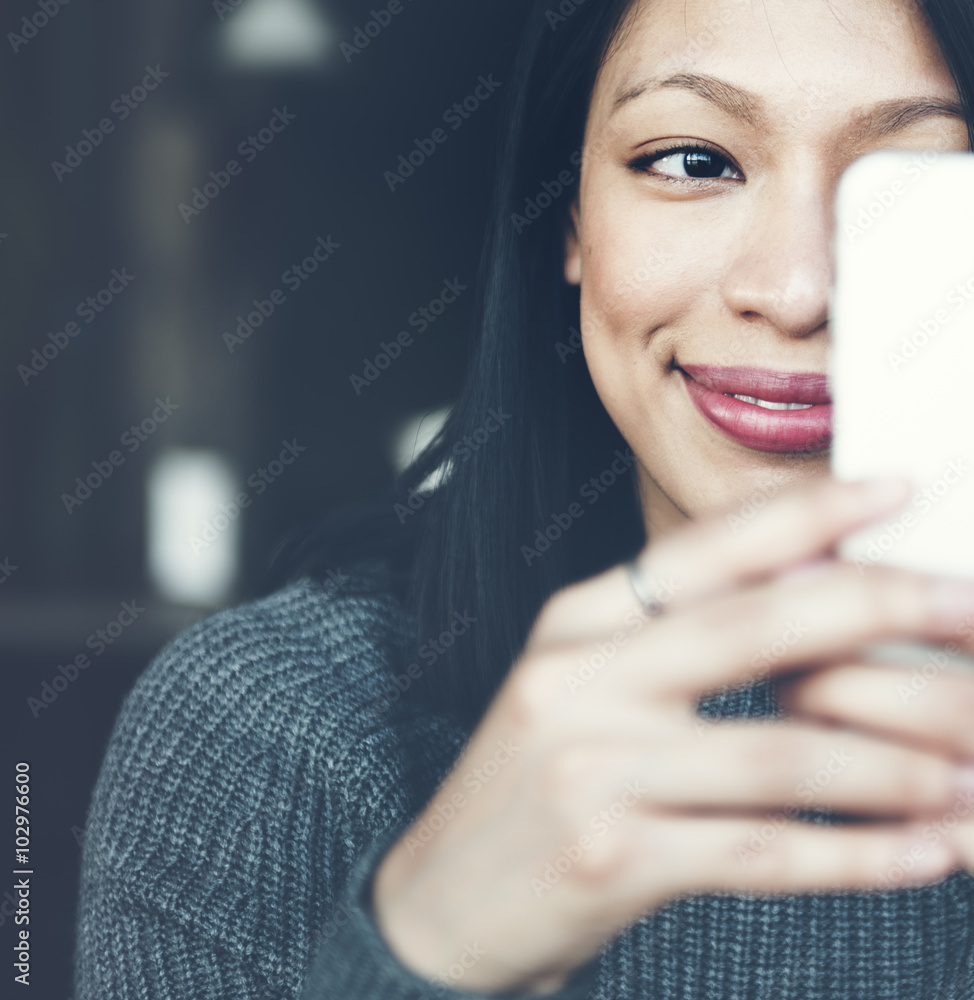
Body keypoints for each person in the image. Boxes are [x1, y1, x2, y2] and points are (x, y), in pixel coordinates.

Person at [75, 0, 974, 997]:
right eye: (690, 161)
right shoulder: (274, 731)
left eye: (917, 183)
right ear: (572, 222)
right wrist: (422, 949)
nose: (798, 288)